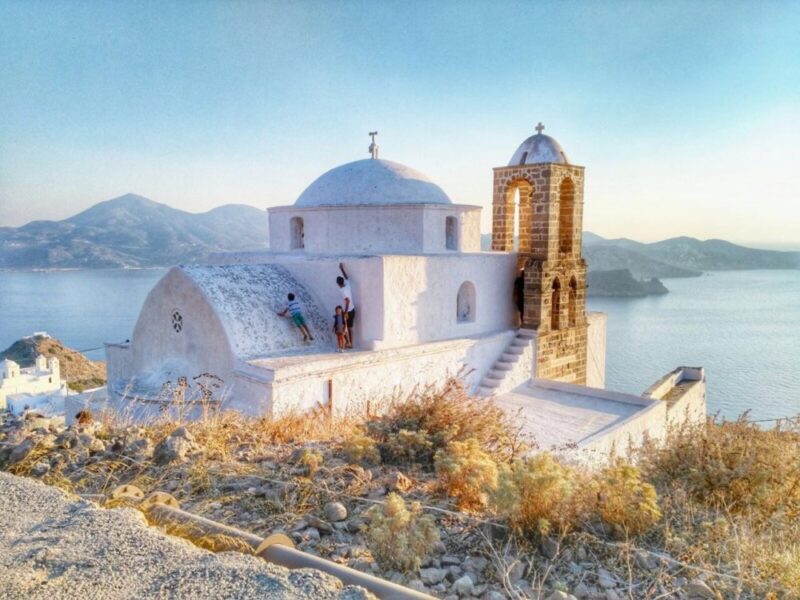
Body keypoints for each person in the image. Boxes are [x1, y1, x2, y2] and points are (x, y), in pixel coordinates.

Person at [336, 262, 355, 348]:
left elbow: (347, 301)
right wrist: (342, 269)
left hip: (348, 311)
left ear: (338, 284)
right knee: (349, 328)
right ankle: (350, 343)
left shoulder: (342, 291)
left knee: (343, 327)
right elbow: (346, 277)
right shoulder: (347, 285)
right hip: (353, 310)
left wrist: (346, 312)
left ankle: (347, 343)